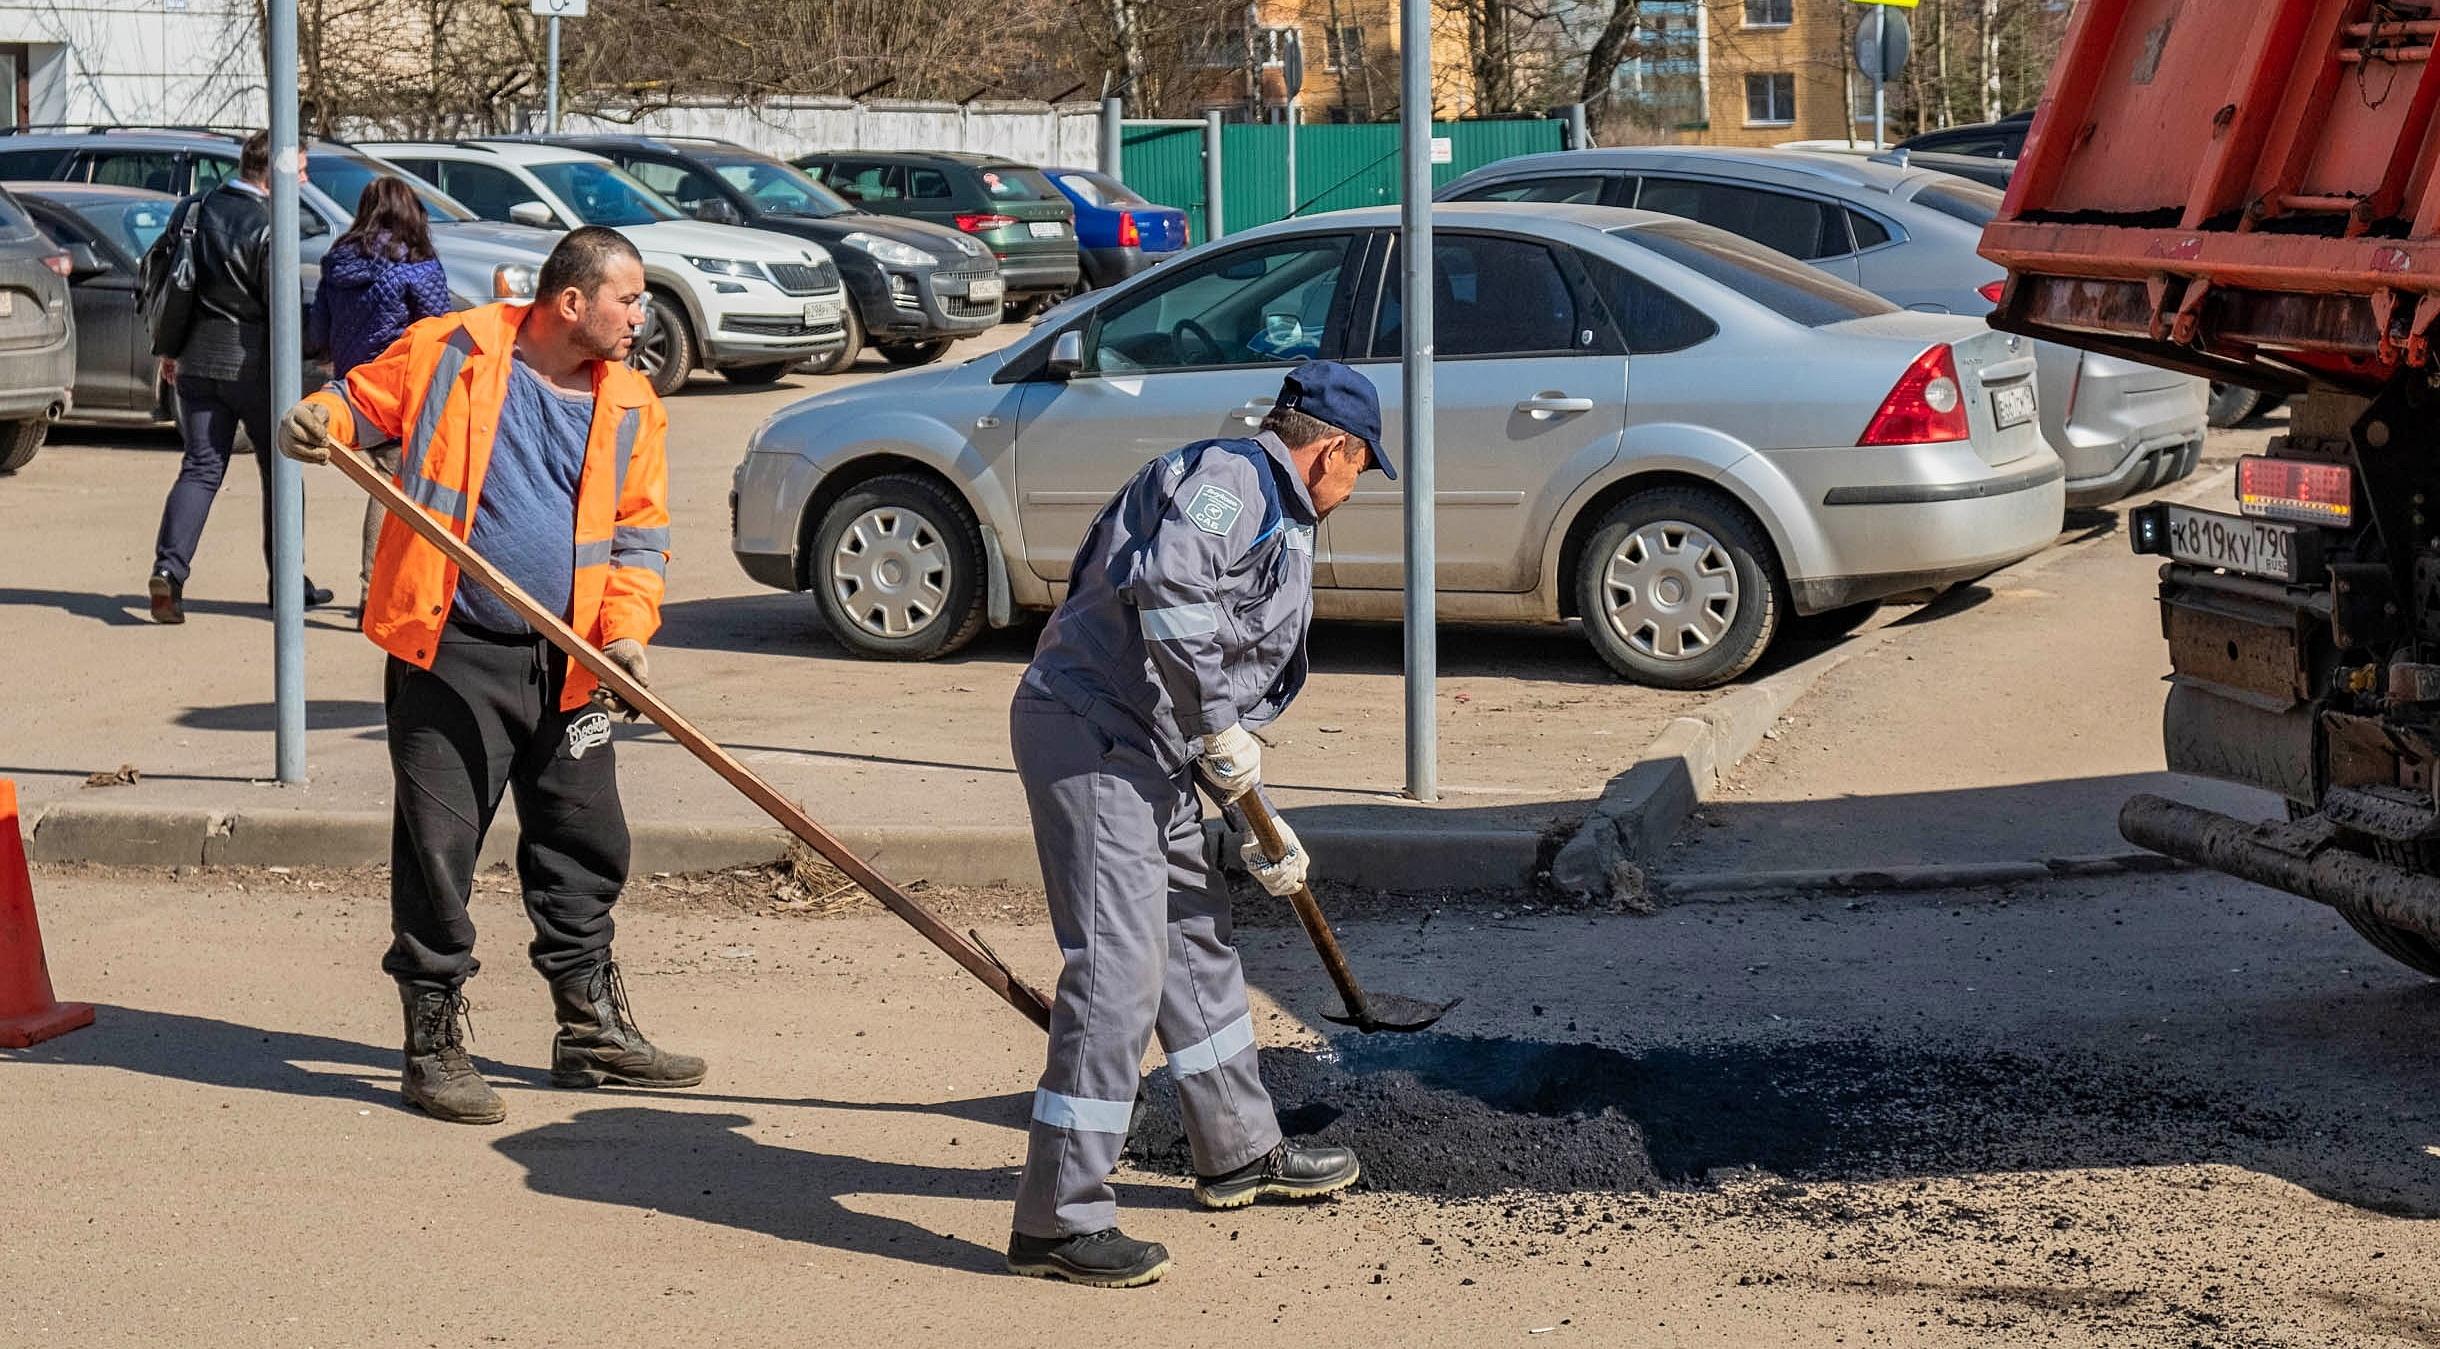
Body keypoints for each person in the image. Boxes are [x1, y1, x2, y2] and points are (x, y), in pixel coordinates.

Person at [275, 226, 701, 1125]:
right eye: (629, 299)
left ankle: (588, 1029)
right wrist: (322, 420)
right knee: (439, 849)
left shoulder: (631, 401)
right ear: (571, 302)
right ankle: (432, 1043)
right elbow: (359, 406)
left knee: (585, 842)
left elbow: (638, 539)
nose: (642, 316)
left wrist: (624, 639)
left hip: (574, 660)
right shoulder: (454, 351)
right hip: (453, 648)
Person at [1004, 360, 1398, 1288]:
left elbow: (1232, 660)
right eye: (1360, 467)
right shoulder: (1231, 481)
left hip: (1160, 752)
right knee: (1118, 969)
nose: (1356, 487)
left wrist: (1250, 806)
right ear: (1332, 448)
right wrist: (1219, 731)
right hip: (1093, 734)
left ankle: (1238, 1150)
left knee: (1195, 940)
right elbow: (1174, 600)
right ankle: (1057, 1218)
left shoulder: (1281, 514)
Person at [144, 129, 334, 623]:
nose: (307, 180)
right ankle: (288, 583)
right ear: (274, 172)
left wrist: (170, 349)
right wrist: (308, 357)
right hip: (253, 364)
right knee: (283, 470)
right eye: (302, 169)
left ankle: (169, 571)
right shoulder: (271, 226)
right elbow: (281, 309)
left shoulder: (196, 210)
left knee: (201, 467)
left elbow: (175, 283)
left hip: (195, 359)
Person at [304, 175, 452, 606]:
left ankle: (393, 582)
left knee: (392, 479)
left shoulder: (338, 262)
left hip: (355, 386)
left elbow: (318, 330)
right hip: (402, 386)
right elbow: (438, 330)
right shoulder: (418, 266)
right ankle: (375, 588)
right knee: (395, 482)